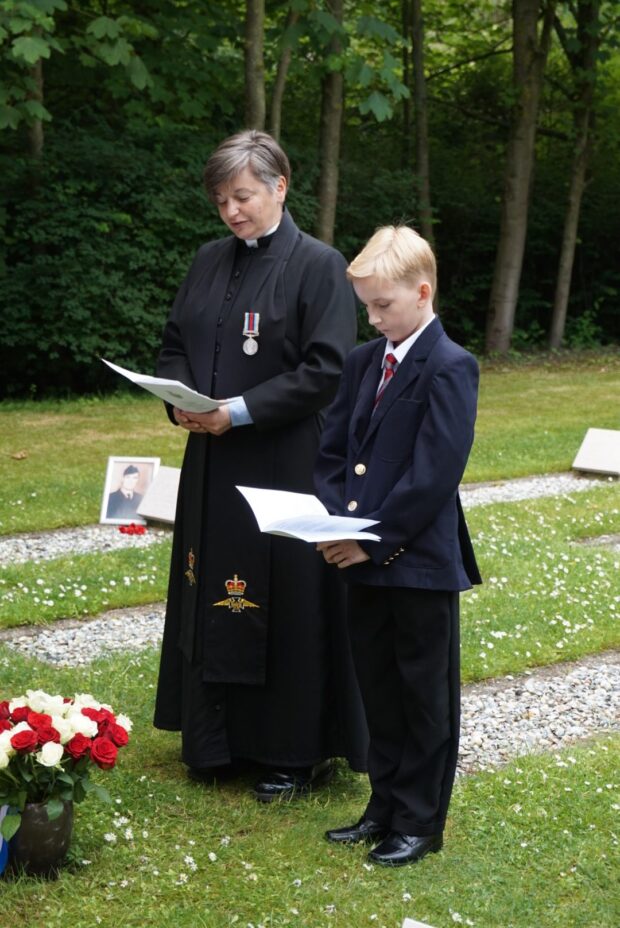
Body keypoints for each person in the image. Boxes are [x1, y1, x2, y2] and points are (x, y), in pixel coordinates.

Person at [153, 130, 368, 800]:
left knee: (286, 599)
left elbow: (325, 369)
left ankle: (289, 751)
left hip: (286, 461)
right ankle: (214, 740)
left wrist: (237, 411)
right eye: (221, 200)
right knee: (208, 586)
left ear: (280, 185)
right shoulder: (207, 259)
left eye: (242, 196)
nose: (231, 212)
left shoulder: (320, 265)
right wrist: (180, 403)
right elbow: (173, 345)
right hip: (211, 466)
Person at [314, 225, 481, 865]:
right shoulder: (363, 362)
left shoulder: (451, 365)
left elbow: (434, 474)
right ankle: (382, 805)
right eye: (367, 308)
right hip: (359, 556)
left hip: (418, 564)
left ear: (422, 291)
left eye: (384, 305)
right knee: (377, 689)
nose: (375, 317)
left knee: (423, 697)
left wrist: (373, 540)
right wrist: (337, 527)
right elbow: (333, 455)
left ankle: (418, 821)